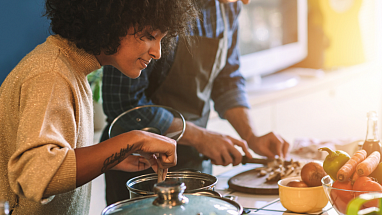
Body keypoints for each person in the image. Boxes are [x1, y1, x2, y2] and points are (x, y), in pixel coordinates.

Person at [0, 0, 199, 214]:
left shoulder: (71, 68)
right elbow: (35, 175)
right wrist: (134, 139)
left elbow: (58, 153)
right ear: (112, 20)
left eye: (162, 39)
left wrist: (112, 159)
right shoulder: (51, 73)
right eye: (150, 36)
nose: (158, 52)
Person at [100, 0, 290, 206]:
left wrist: (251, 136)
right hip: (139, 168)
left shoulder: (229, 6)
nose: (247, 1)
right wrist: (199, 137)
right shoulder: (152, 7)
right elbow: (124, 102)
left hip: (194, 163)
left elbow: (227, 80)